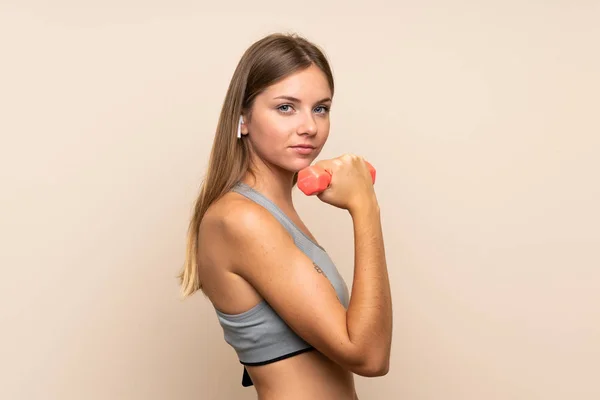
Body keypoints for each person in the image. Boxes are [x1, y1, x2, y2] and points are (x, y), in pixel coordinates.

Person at [179, 32, 393, 400]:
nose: (309, 126)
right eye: (285, 107)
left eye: (320, 108)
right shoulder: (242, 220)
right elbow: (368, 355)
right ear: (243, 118)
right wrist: (366, 209)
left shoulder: (274, 215)